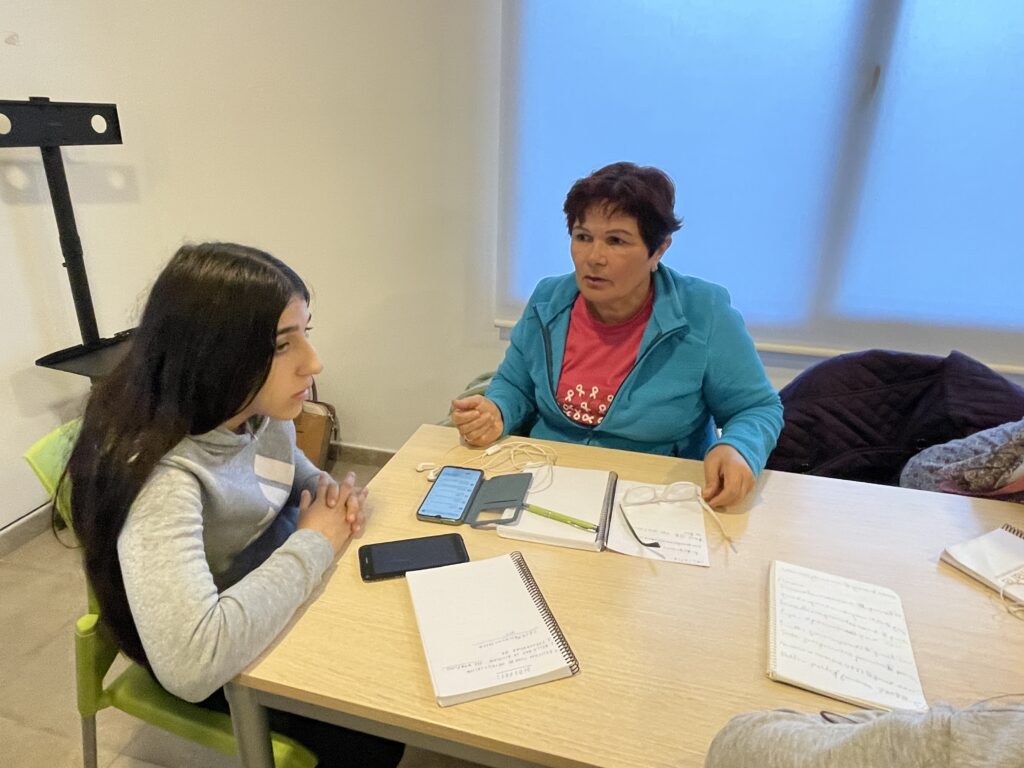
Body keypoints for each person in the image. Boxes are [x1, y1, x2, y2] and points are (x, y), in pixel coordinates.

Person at [64, 243, 404, 767]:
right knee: (370, 733)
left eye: (305, 334)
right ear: (214, 354)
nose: (313, 363)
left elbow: (281, 472)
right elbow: (192, 660)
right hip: (210, 653)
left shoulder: (256, 413)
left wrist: (328, 495)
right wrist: (316, 540)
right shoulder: (162, 478)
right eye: (281, 346)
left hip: (258, 593)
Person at [452, 162, 783, 507]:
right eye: (583, 237)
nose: (594, 257)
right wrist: (497, 410)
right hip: (548, 482)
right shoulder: (549, 300)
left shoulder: (703, 311)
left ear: (659, 249)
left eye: (616, 241)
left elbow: (757, 408)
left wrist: (738, 448)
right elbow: (515, 384)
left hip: (653, 495)